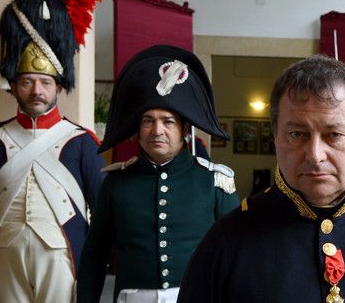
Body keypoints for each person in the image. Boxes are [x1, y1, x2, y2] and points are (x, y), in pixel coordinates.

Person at [177, 55, 345, 302]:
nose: (315, 155)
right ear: (276, 136)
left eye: (334, 135)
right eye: (297, 134)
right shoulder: (228, 240)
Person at [76, 45, 240, 303]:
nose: (157, 130)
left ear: (185, 129)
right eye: (148, 121)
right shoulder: (116, 183)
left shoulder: (213, 182)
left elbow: (236, 255)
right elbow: (94, 257)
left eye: (168, 121)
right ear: (138, 129)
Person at [0, 0, 106, 302]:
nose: (37, 90)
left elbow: (104, 216)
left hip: (61, 260)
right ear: (12, 84)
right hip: (4, 258)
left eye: (45, 82)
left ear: (59, 85)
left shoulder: (82, 142)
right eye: (27, 82)